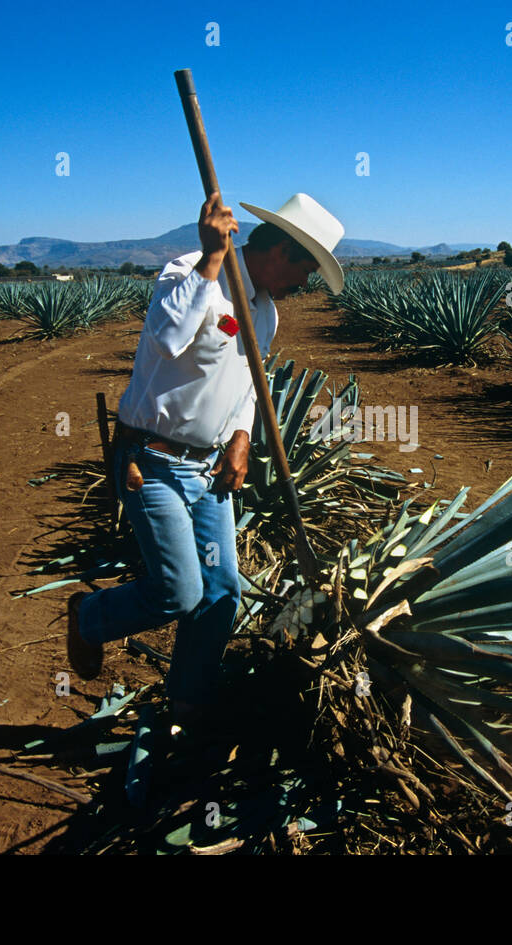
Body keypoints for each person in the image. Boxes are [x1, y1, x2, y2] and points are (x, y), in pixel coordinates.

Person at [66, 191, 345, 727]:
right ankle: (89, 614)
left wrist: (242, 437)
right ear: (281, 251)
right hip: (150, 461)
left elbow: (248, 384)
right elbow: (167, 340)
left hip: (210, 468)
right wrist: (212, 258)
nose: (306, 282)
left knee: (221, 591)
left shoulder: (266, 312)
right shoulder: (190, 274)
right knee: (178, 590)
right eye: (306, 267)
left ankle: (188, 703)